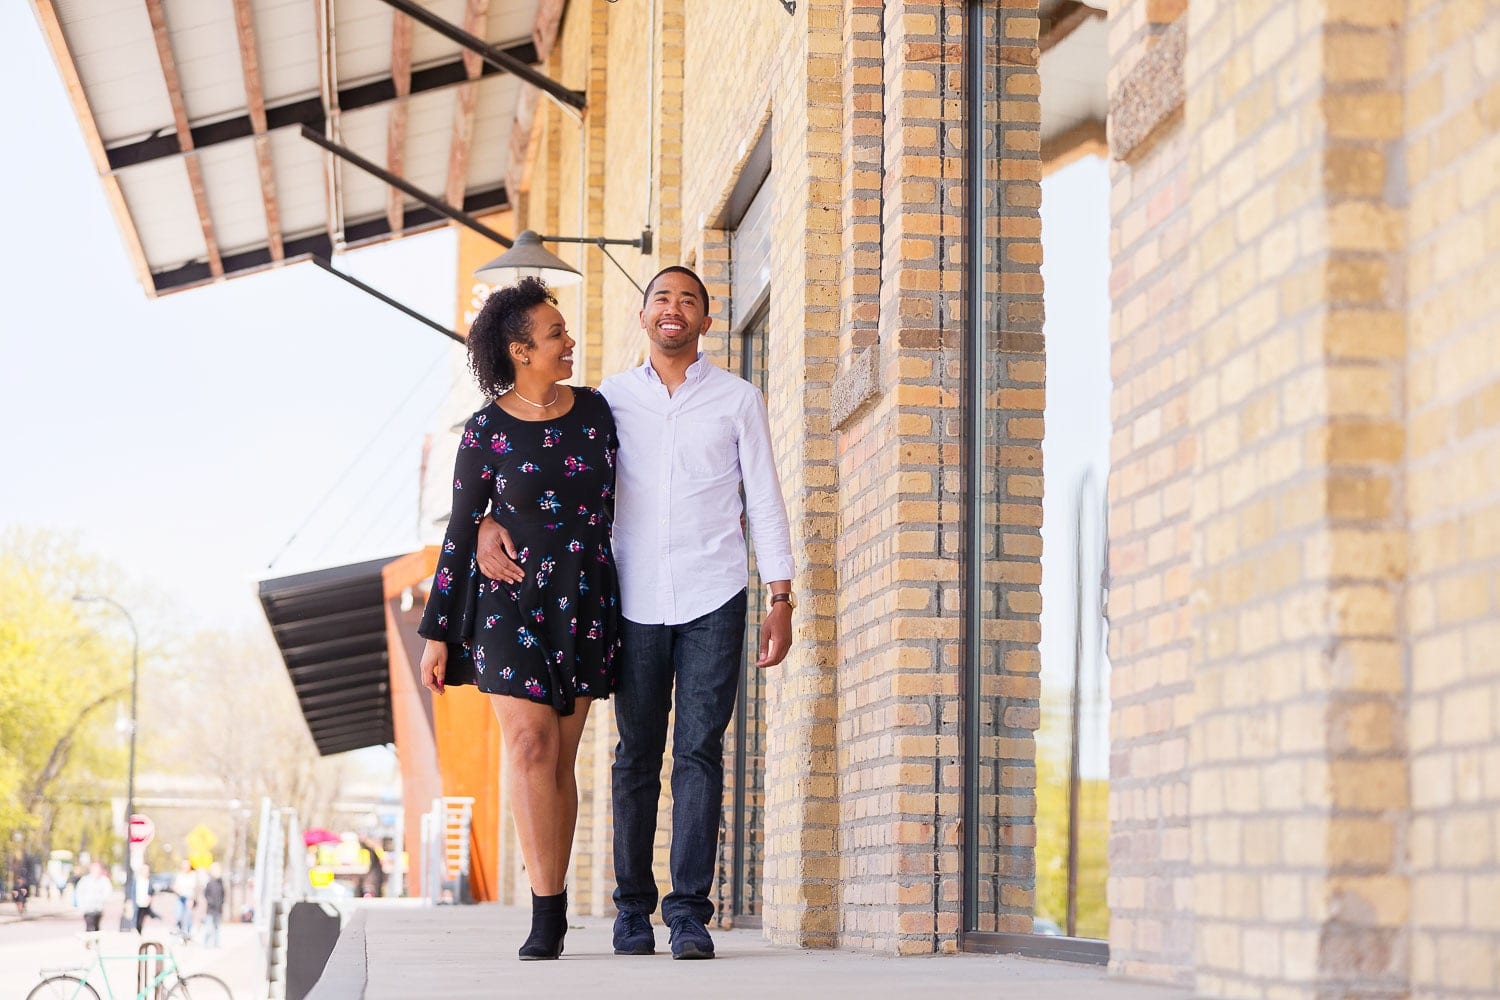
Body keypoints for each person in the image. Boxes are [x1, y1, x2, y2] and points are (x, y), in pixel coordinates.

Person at [478, 265, 795, 960]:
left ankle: (688, 914)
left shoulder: (739, 399)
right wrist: (485, 522)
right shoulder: (605, 401)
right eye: (662, 299)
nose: (673, 309)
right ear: (644, 317)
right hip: (632, 598)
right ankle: (632, 912)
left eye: (689, 300)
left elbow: (765, 498)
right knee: (635, 758)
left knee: (700, 753)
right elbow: (540, 462)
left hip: (716, 592)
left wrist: (781, 595)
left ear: (707, 321)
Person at [418, 276, 622, 961]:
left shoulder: (597, 414)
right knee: (530, 748)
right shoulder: (484, 431)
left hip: (585, 596)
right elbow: (460, 526)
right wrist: (438, 634)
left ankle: (555, 893)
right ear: (520, 349)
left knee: (561, 759)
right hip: (507, 602)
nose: (569, 343)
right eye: (556, 334)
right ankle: (546, 910)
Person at [75, 862, 113, 933]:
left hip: (98, 909)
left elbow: (108, 892)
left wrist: (102, 900)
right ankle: (89, 941)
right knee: (89, 927)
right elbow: (79, 893)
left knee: (96, 927)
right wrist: (81, 906)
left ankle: (95, 942)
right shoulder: (85, 880)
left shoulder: (103, 880)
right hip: (88, 908)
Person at [201, 864, 225, 948]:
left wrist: (221, 903)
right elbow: (206, 894)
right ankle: (205, 943)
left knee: (216, 927)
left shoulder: (221, 882)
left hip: (218, 909)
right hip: (211, 909)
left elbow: (223, 894)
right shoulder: (210, 882)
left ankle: (216, 943)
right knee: (208, 928)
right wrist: (210, 902)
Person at [171, 860, 196, 941]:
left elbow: (195, 889)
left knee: (188, 918)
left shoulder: (193, 875)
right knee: (178, 916)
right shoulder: (180, 875)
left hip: (189, 898)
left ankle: (187, 935)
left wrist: (192, 899)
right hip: (180, 897)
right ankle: (180, 934)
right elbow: (175, 886)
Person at [132, 864, 156, 933]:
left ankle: (140, 931)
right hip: (138, 903)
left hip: (145, 904)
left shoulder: (149, 881)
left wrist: (150, 897)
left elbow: (151, 891)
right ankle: (138, 931)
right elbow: (133, 891)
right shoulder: (137, 880)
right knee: (136, 919)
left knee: (141, 920)